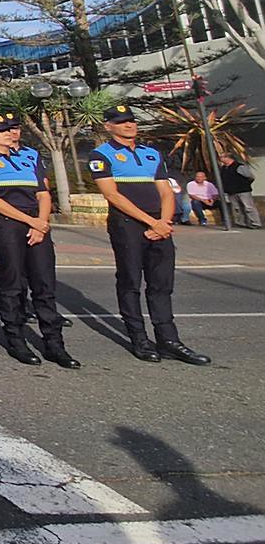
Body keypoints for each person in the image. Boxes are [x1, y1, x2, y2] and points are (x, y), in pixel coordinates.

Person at [89, 105, 210, 365]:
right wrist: (151, 222)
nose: (129, 125)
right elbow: (112, 195)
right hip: (128, 225)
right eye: (121, 122)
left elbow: (166, 192)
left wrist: (164, 222)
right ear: (108, 126)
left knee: (161, 284)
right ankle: (139, 339)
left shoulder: (151, 153)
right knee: (130, 282)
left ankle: (169, 340)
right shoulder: (101, 154)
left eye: (131, 120)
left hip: (159, 224)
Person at [0, 113, 78, 368]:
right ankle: (16, 340)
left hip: (36, 224)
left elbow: (43, 193)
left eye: (11, 129)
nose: (9, 133)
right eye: (2, 131)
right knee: (12, 284)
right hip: (6, 226)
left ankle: (54, 344)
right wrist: (32, 222)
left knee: (44, 285)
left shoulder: (28, 157)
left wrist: (40, 222)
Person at [219, 153, 262, 229]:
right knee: (236, 208)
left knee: (248, 207)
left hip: (243, 191)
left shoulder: (239, 166)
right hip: (231, 192)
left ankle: (255, 223)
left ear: (228, 158)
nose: (220, 159)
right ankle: (241, 223)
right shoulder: (223, 168)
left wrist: (244, 185)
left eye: (222, 157)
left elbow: (250, 177)